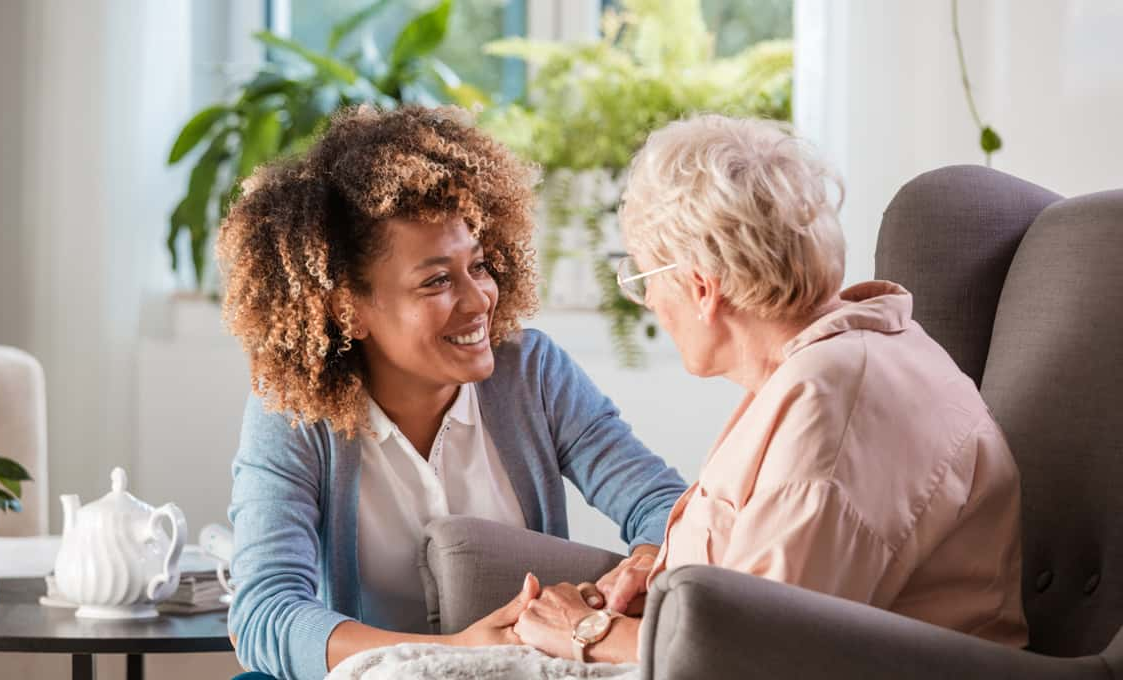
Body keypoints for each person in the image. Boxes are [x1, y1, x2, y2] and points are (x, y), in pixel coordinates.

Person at [512, 114, 1028, 663]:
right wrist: (665, 580)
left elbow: (759, 652)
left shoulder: (831, 403)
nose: (652, 304)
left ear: (701, 287)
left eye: (642, 279)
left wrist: (587, 631)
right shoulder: (840, 359)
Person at [219, 105, 688, 680]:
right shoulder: (295, 415)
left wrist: (641, 567)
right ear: (348, 308)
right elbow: (267, 613)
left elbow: (666, 508)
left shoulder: (533, 374)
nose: (479, 299)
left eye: (481, 265)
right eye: (437, 280)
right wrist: (453, 652)